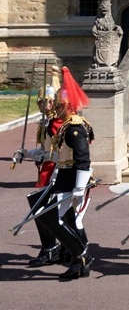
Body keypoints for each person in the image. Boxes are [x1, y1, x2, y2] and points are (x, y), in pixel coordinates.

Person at [34, 67, 95, 280]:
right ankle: (81, 261)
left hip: (75, 180)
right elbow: (59, 156)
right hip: (64, 177)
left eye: (59, 105)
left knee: (69, 221)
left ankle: (81, 258)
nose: (56, 109)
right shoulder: (65, 127)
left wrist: (79, 187)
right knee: (61, 220)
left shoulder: (75, 128)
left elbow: (83, 159)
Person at [13, 65, 65, 266]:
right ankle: (53, 246)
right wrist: (25, 153)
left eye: (42, 102)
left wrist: (47, 159)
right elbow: (44, 150)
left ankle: (51, 247)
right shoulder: (47, 123)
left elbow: (59, 152)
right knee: (42, 210)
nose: (39, 105)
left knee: (45, 211)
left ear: (52, 102)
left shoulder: (56, 124)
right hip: (45, 170)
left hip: (54, 171)